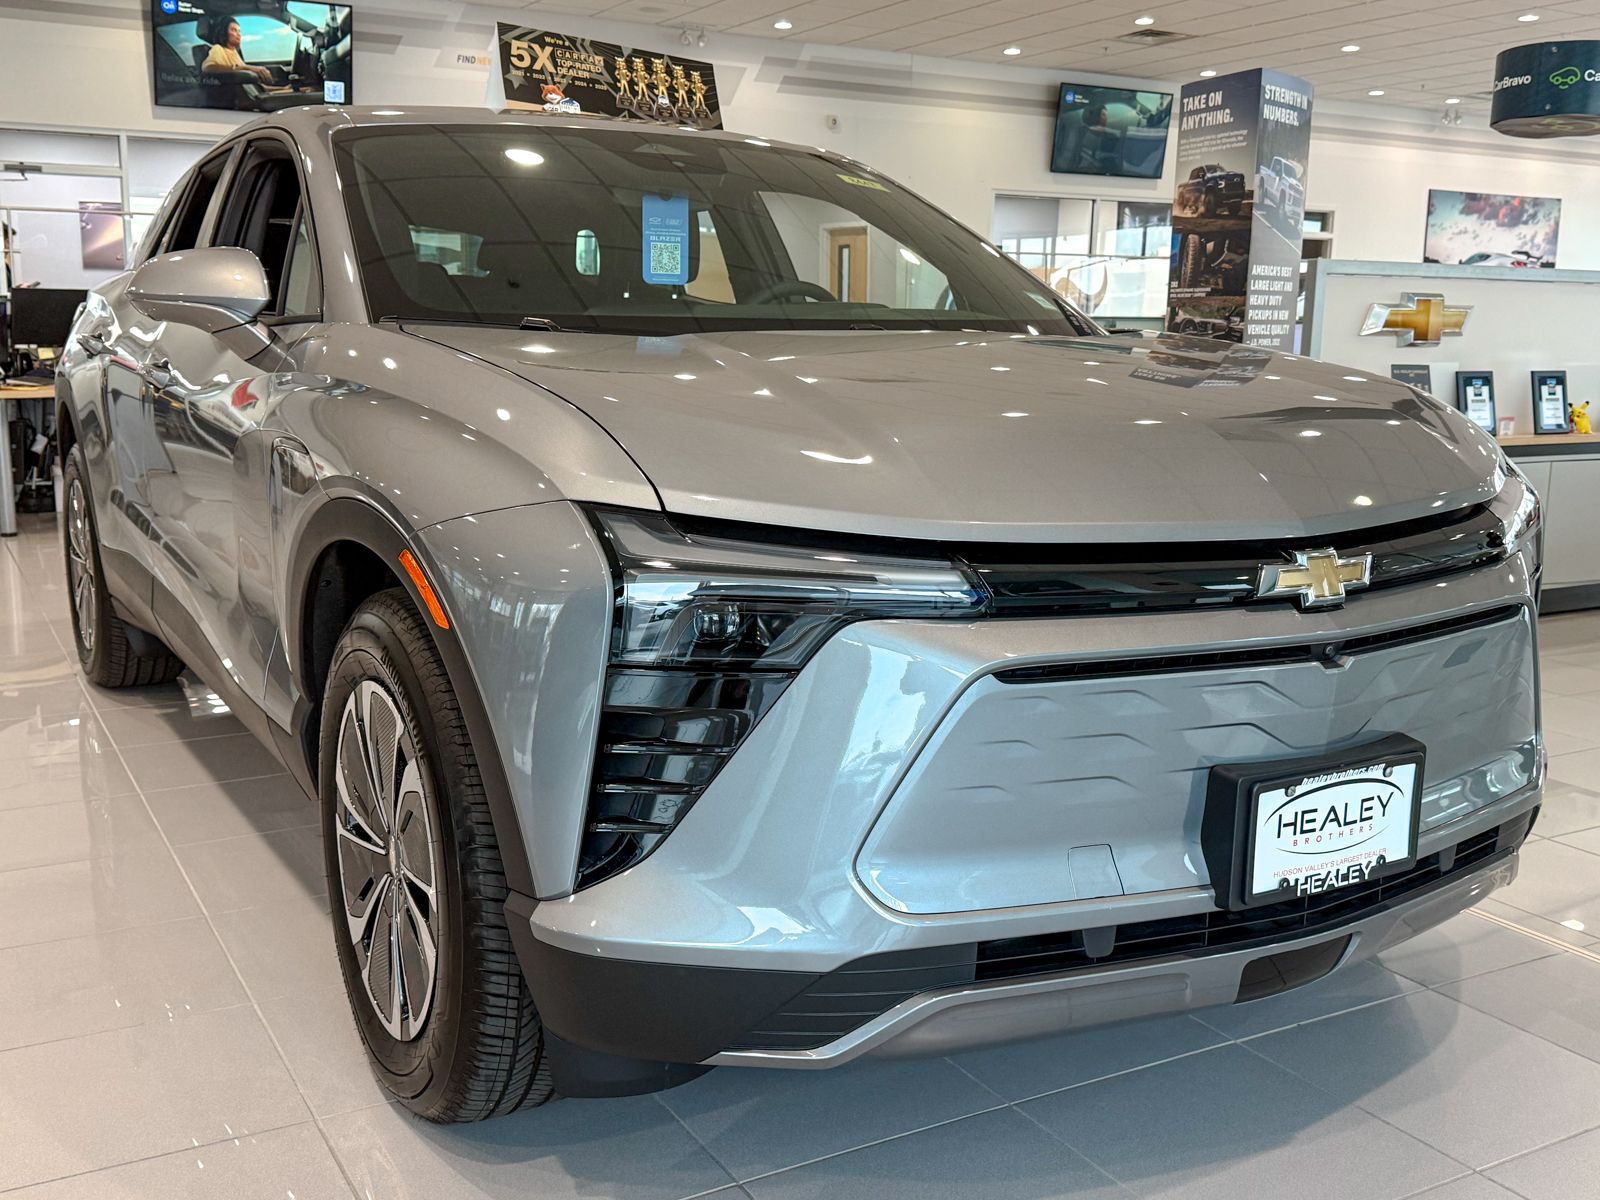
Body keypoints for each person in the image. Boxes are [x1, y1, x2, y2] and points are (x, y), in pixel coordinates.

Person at [202, 17, 275, 86]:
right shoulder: (218, 48)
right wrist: (247, 68)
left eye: (239, 31)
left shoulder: (234, 52)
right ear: (224, 32)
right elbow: (208, 68)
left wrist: (283, 88)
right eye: (234, 30)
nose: (239, 34)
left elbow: (255, 88)